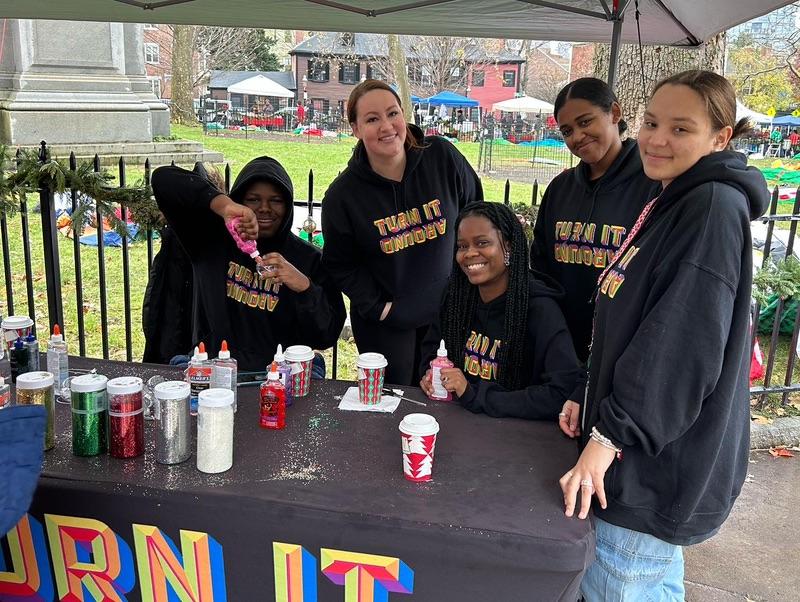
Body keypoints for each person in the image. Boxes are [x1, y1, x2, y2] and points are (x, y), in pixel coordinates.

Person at [559, 70, 769, 600]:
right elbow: (632, 318)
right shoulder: (674, 197)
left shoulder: (710, 208)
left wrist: (607, 440)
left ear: (720, 137)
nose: (656, 140)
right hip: (641, 457)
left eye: (681, 129)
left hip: (647, 471)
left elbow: (676, 350)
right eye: (652, 123)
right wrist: (588, 393)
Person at [322, 79, 483, 385]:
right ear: (355, 129)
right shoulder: (343, 196)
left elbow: (475, 213)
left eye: (392, 113)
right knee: (393, 403)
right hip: (388, 328)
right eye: (372, 119)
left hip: (451, 315)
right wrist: (380, 308)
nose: (387, 126)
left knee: (450, 399)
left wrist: (470, 282)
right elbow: (340, 264)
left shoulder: (442, 158)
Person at [152, 156, 346, 372]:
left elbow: (326, 335)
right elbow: (163, 179)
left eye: (276, 200)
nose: (264, 208)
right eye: (253, 199)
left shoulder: (309, 259)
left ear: (288, 205)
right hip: (215, 367)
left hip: (282, 375)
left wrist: (304, 287)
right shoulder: (210, 240)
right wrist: (224, 205)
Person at [530, 78, 660, 372]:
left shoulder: (652, 185)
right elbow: (541, 268)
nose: (577, 136)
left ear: (614, 113)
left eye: (585, 122)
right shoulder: (560, 189)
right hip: (562, 349)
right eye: (567, 131)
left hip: (624, 352)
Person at [419, 202, 583, 418]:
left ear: (509, 247)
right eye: (462, 246)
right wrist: (430, 373)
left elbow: (561, 392)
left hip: (514, 431)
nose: (469, 253)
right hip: (453, 421)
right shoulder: (456, 299)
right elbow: (432, 350)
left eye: (482, 243)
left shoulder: (540, 309)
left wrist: (473, 394)